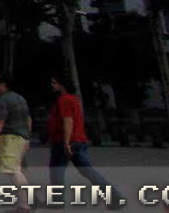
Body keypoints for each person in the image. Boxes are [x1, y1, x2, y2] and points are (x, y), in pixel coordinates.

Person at [47, 76, 126, 206]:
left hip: (66, 140)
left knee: (56, 170)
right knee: (87, 170)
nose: (52, 85)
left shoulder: (64, 100)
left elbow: (68, 121)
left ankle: (57, 200)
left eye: (54, 83)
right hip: (79, 140)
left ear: (62, 85)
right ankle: (114, 197)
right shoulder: (74, 99)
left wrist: (66, 142)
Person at [0, 75, 31, 212]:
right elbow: (28, 119)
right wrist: (27, 137)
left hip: (10, 137)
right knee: (17, 169)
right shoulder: (20, 98)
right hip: (21, 136)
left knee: (13, 170)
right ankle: (25, 202)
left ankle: (25, 205)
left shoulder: (3, 100)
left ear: (3, 84)